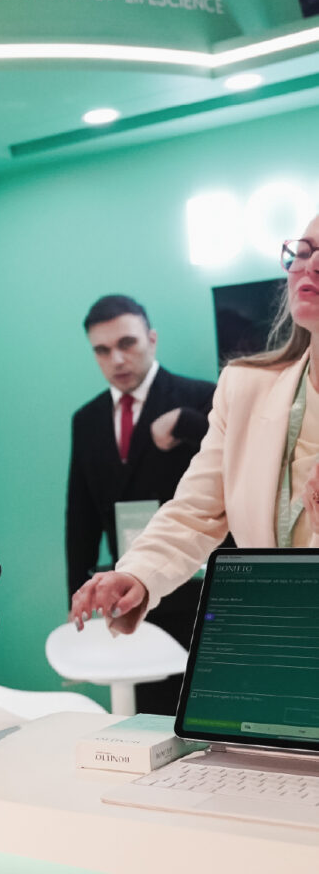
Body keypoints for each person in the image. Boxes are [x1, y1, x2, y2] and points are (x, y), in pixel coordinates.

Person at [71, 221, 319, 641]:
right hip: (274, 639)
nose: (306, 266)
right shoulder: (244, 388)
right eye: (304, 250)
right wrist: (136, 571)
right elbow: (195, 510)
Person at [66, 295, 215, 712]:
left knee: (209, 713)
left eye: (127, 343)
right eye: (102, 349)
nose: (117, 358)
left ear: (151, 339)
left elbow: (242, 457)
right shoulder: (88, 418)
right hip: (133, 589)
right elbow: (79, 516)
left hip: (201, 587)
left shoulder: (201, 396)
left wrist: (186, 423)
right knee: (151, 717)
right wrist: (75, 596)